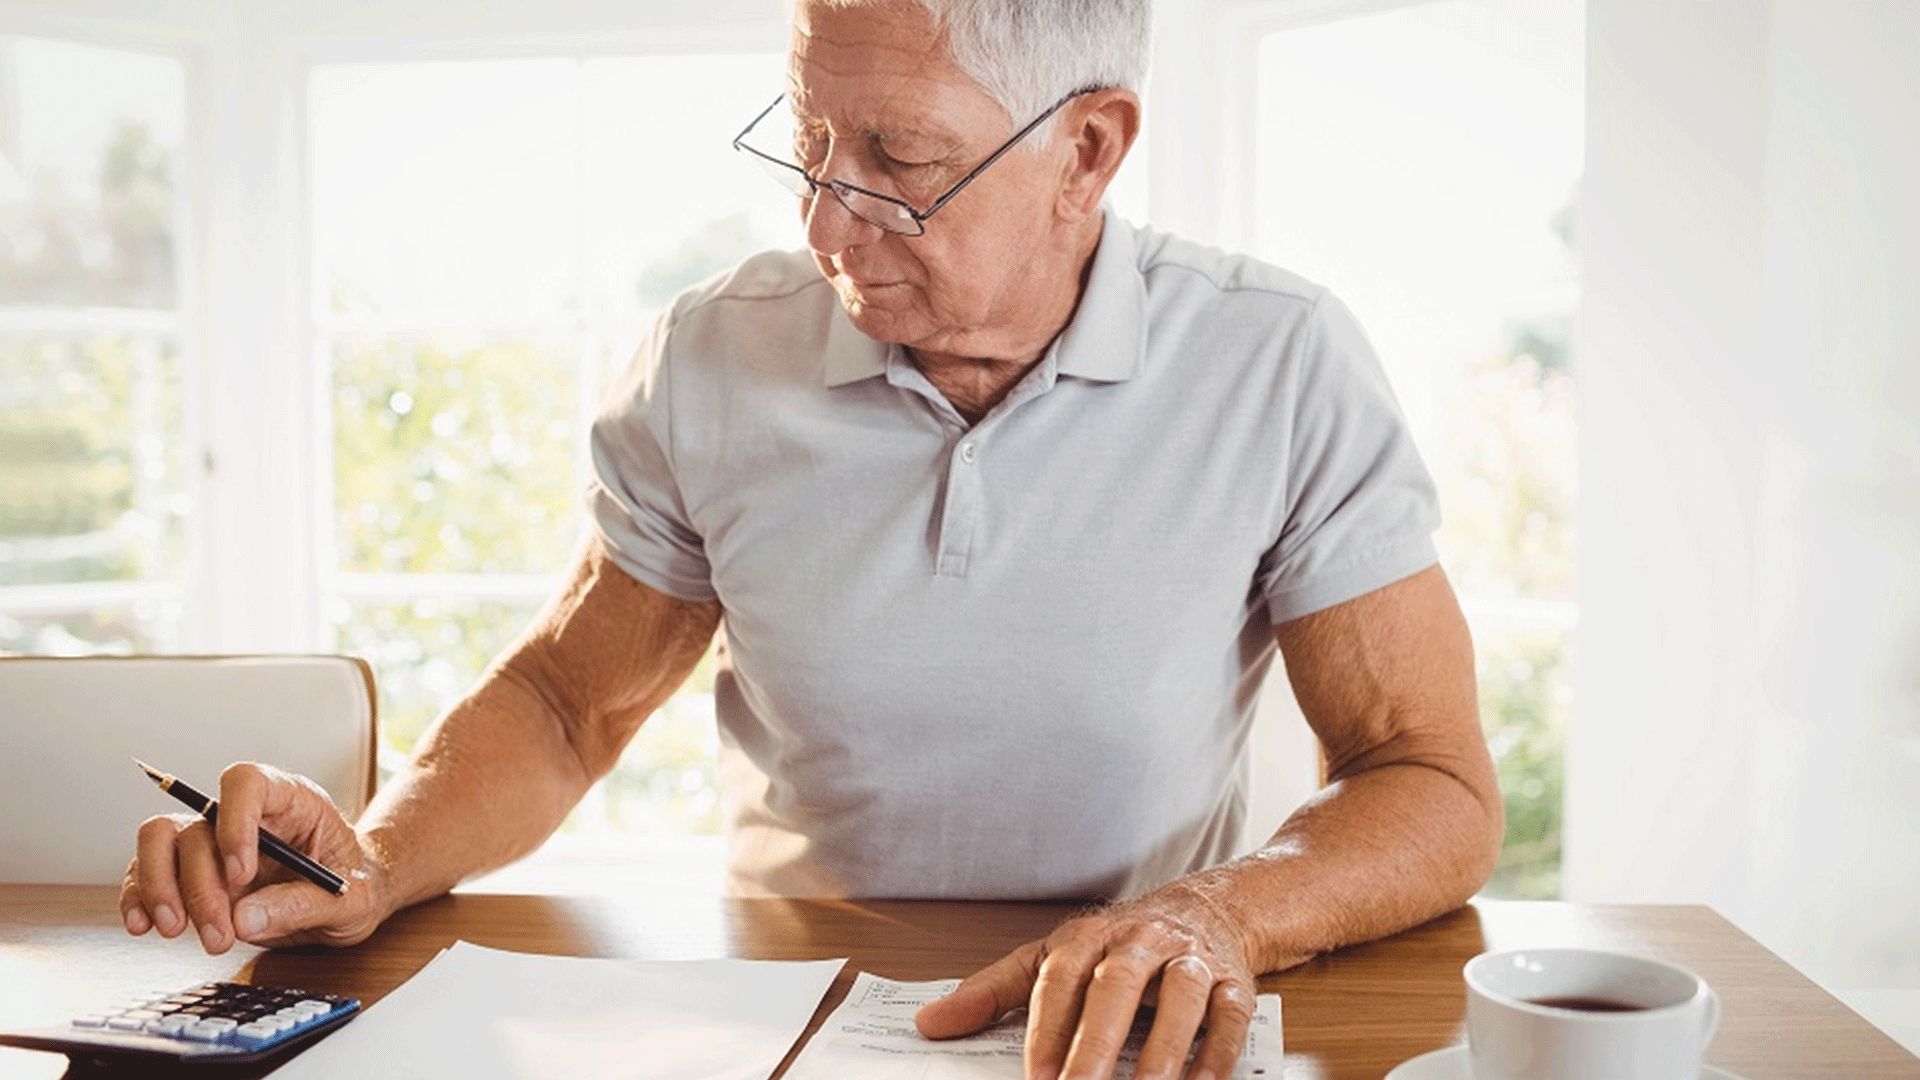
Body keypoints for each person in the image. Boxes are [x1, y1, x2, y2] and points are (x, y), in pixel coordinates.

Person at [118, 1, 1504, 1077]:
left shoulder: (1280, 361)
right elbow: (565, 705)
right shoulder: (712, 356)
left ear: (1087, 151)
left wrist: (1218, 916)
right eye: (808, 140)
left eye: (902, 160)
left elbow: (1428, 778)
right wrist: (372, 860)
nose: (825, 215)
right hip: (788, 1015)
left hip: (1112, 1023)